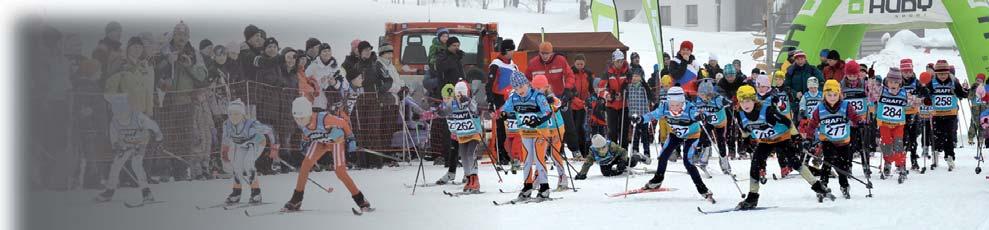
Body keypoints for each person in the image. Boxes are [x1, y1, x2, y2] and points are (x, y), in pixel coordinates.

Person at [734, 85, 834, 210]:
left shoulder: (767, 111)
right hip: (765, 141)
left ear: (754, 100)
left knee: (795, 163)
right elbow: (745, 129)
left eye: (748, 100)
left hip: (782, 139)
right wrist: (745, 141)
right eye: (742, 101)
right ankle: (752, 197)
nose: (745, 104)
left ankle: (818, 187)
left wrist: (796, 137)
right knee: (755, 165)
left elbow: (787, 122)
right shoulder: (740, 114)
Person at [283, 97, 371, 212]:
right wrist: (304, 142)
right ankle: (297, 199)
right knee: (305, 166)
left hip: (335, 141)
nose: (299, 121)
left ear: (309, 113)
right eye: (296, 118)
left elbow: (343, 123)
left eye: (301, 117)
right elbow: (307, 132)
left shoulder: (324, 119)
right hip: (320, 141)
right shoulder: (302, 123)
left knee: (340, 171)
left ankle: (361, 200)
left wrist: (350, 138)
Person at [635, 86, 715, 203]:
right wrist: (641, 119)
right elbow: (653, 114)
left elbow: (696, 113)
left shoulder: (689, 108)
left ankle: (703, 189)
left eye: (677, 105)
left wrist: (700, 116)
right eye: (672, 105)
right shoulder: (665, 107)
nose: (674, 108)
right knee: (663, 156)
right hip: (675, 134)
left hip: (691, 136)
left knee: (687, 162)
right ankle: (657, 180)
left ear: (682, 102)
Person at [799, 80, 863, 199]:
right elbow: (812, 124)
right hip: (827, 140)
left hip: (843, 140)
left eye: (835, 95)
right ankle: (823, 183)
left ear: (839, 94)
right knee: (828, 161)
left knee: (843, 164)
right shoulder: (820, 108)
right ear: (824, 95)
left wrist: (859, 121)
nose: (832, 98)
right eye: (829, 95)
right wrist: (808, 138)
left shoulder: (846, 106)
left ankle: (844, 185)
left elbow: (854, 116)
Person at [94, 94, 163, 203]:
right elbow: (114, 138)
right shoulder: (115, 122)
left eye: (122, 111)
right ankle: (109, 191)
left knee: (136, 164)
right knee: (116, 165)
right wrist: (117, 146)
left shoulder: (138, 117)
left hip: (140, 143)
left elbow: (152, 125)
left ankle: (146, 192)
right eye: (117, 112)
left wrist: (158, 135)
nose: (120, 115)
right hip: (125, 144)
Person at [501, 71, 555, 200]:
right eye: (516, 88)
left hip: (540, 133)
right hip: (525, 132)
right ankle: (527, 186)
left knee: (539, 159)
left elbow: (548, 112)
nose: (520, 90)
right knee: (527, 161)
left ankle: (544, 187)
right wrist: (505, 114)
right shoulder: (514, 97)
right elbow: (506, 110)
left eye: (521, 87)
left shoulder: (537, 96)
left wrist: (538, 120)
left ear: (527, 84)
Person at [221, 99, 278, 204]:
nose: (233, 117)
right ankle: (236, 193)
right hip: (241, 145)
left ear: (242, 114)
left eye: (237, 114)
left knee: (248, 164)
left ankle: (256, 193)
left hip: (256, 142)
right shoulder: (227, 124)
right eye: (231, 114)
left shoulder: (252, 125)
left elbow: (271, 130)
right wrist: (225, 151)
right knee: (236, 166)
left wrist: (274, 148)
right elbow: (225, 139)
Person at [922, 60, 968, 171]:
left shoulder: (953, 82)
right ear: (936, 73)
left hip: (950, 114)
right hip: (936, 114)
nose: (942, 76)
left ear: (948, 72)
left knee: (949, 136)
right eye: (940, 74)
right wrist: (926, 99)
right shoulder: (932, 83)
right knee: (937, 136)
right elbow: (925, 95)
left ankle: (950, 157)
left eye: (944, 73)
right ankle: (936, 154)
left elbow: (961, 93)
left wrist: (966, 91)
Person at [532, 75, 570, 191]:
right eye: (535, 88)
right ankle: (539, 176)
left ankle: (562, 176)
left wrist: (552, 102)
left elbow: (559, 104)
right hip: (543, 129)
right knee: (540, 153)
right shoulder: (533, 98)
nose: (538, 91)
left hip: (557, 128)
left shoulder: (550, 97)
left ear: (546, 87)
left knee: (555, 154)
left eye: (540, 88)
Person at [445, 81, 484, 193]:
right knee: (463, 156)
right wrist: (435, 112)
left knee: (470, 154)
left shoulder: (470, 102)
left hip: (473, 133)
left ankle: (475, 179)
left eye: (461, 95)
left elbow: (475, 110)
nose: (459, 97)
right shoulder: (453, 103)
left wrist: (468, 101)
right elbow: (444, 111)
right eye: (457, 95)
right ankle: (468, 178)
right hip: (462, 135)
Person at [874, 68, 910, 183]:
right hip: (884, 124)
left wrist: (924, 99)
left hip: (898, 124)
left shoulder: (904, 93)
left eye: (895, 82)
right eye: (890, 82)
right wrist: (870, 79)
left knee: (898, 144)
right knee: (886, 144)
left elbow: (914, 102)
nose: (893, 84)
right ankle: (888, 162)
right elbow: (871, 91)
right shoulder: (881, 91)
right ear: (887, 81)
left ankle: (901, 165)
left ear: (900, 82)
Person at [105, 36, 155, 117]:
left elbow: (147, 91)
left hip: (141, 114)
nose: (137, 49)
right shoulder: (120, 65)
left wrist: (149, 113)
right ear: (128, 48)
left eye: (140, 47)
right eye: (134, 46)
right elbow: (110, 89)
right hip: (125, 115)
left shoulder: (143, 68)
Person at [487, 39, 518, 165]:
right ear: (507, 50)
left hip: (511, 99)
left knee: (511, 127)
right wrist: (490, 102)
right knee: (501, 128)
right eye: (512, 50)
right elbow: (489, 85)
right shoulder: (496, 64)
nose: (514, 52)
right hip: (499, 99)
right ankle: (501, 155)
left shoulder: (513, 65)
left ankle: (512, 153)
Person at [694, 79, 732, 175]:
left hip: (720, 122)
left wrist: (726, 102)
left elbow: (729, 102)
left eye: (704, 94)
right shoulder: (698, 99)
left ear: (710, 93)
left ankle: (724, 163)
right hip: (709, 121)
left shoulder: (717, 99)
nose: (702, 97)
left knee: (721, 141)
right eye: (700, 94)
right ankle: (703, 159)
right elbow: (694, 108)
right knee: (703, 137)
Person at [626, 67, 654, 166]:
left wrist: (646, 85)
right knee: (635, 134)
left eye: (637, 76)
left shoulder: (644, 87)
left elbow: (651, 96)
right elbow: (624, 93)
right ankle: (635, 150)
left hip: (643, 114)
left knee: (645, 134)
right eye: (633, 76)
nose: (634, 78)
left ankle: (647, 152)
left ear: (641, 78)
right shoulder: (629, 87)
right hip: (634, 114)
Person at [568, 54, 593, 159]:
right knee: (572, 129)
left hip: (583, 105)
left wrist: (589, 100)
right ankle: (575, 150)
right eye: (578, 64)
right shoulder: (570, 73)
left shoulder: (588, 73)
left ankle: (584, 151)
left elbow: (591, 88)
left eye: (581, 64)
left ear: (584, 63)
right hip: (572, 104)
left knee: (581, 129)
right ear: (574, 63)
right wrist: (580, 102)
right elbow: (569, 90)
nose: (579, 65)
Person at [605, 49, 630, 148]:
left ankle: (623, 152)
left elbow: (631, 86)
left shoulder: (628, 71)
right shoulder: (608, 72)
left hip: (624, 105)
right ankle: (613, 151)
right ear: (613, 61)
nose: (620, 63)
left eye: (621, 61)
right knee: (612, 131)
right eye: (618, 61)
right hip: (611, 105)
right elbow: (602, 88)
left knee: (624, 130)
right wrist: (608, 95)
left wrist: (624, 94)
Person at [968, 73, 988, 145]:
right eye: (977, 80)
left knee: (983, 123)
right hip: (975, 108)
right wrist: (972, 89)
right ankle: (971, 137)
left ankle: (981, 138)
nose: (978, 82)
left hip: (983, 107)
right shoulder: (973, 87)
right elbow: (969, 97)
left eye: (980, 81)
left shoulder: (985, 88)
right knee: (973, 123)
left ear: (983, 81)